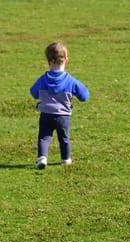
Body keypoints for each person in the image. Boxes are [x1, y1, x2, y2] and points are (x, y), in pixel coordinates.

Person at [29, 41, 89, 170]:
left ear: (48, 61)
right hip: (63, 116)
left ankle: (42, 158)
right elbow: (84, 96)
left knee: (44, 138)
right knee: (64, 138)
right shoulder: (71, 81)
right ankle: (66, 159)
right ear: (66, 60)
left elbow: (33, 93)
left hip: (46, 115)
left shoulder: (43, 79)